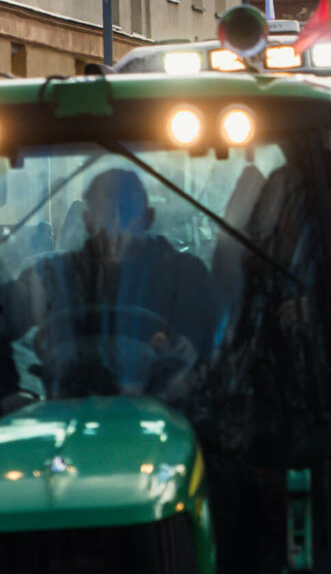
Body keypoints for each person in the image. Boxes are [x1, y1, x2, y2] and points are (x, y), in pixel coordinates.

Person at [0, 168, 217, 406]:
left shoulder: (184, 275)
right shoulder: (52, 274)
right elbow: (12, 313)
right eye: (105, 213)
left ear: (148, 218)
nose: (114, 223)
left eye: (125, 212)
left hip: (161, 411)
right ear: (87, 220)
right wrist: (10, 392)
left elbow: (205, 355)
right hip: (63, 409)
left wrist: (178, 361)